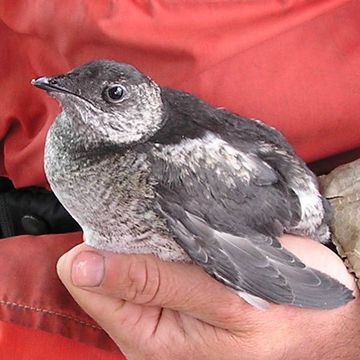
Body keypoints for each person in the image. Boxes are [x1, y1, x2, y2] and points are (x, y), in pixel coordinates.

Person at [0, 1, 359, 359]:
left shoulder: (167, 168)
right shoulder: (81, 134)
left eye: (113, 95)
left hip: (165, 327)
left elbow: (237, 242)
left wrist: (342, 339)